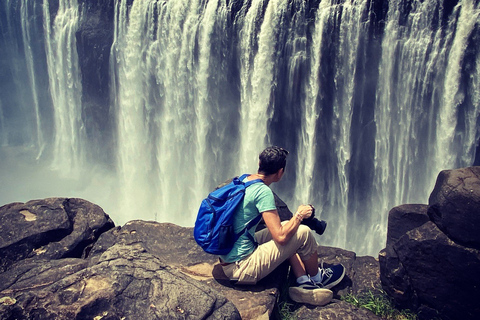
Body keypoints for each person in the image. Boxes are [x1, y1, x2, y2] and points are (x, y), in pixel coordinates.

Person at [219, 146, 345, 306]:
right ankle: (318, 278)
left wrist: (292, 222)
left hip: (228, 257)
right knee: (303, 232)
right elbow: (280, 237)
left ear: (259, 163)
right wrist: (299, 215)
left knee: (287, 226)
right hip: (241, 268)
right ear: (280, 173)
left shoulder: (245, 179)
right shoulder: (263, 192)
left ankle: (302, 280)